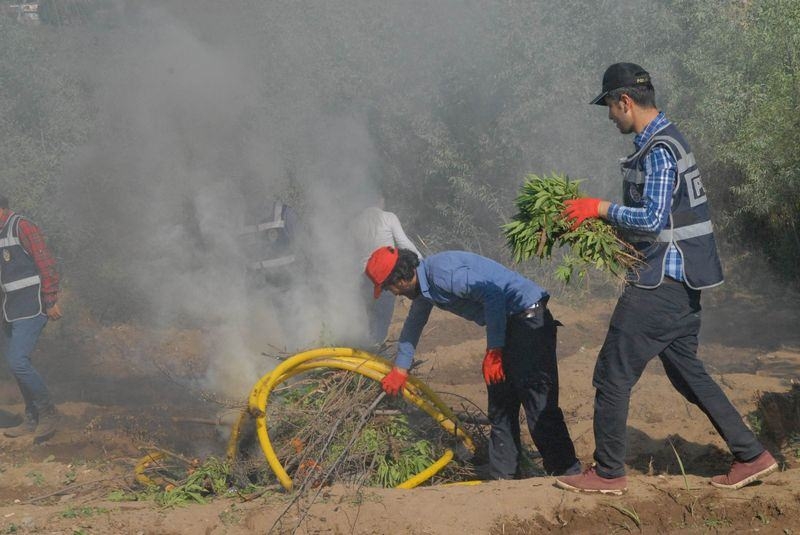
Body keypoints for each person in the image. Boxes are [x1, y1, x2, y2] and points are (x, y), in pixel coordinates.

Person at [554, 63, 777, 495]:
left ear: (625, 101)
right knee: (688, 374)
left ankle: (607, 473)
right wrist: (600, 225)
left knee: (612, 374)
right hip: (682, 283)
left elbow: (653, 220)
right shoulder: (667, 139)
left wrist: (597, 209)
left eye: (610, 108)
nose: (609, 117)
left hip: (661, 284)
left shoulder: (658, 149)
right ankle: (753, 455)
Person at [364, 246, 580, 480]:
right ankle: (505, 478)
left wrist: (495, 350)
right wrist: (399, 369)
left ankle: (567, 472)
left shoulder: (442, 273)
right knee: (501, 404)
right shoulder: (425, 289)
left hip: (528, 319)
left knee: (536, 400)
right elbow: (413, 324)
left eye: (389, 287)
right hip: (509, 324)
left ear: (401, 277)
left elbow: (493, 293)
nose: (393, 293)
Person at [0, 194, 62, 443]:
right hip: (10, 310)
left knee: (18, 362)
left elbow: (46, 263)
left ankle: (48, 412)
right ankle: (32, 417)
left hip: (33, 305)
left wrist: (50, 300)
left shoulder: (22, 225)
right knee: (17, 364)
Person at [351, 195, 422, 347]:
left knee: (368, 314)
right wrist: (421, 261)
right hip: (386, 275)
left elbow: (353, 253)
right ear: (380, 200)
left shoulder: (355, 223)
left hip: (364, 276)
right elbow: (403, 242)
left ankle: (364, 346)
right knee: (382, 315)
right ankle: (375, 349)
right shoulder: (388, 217)